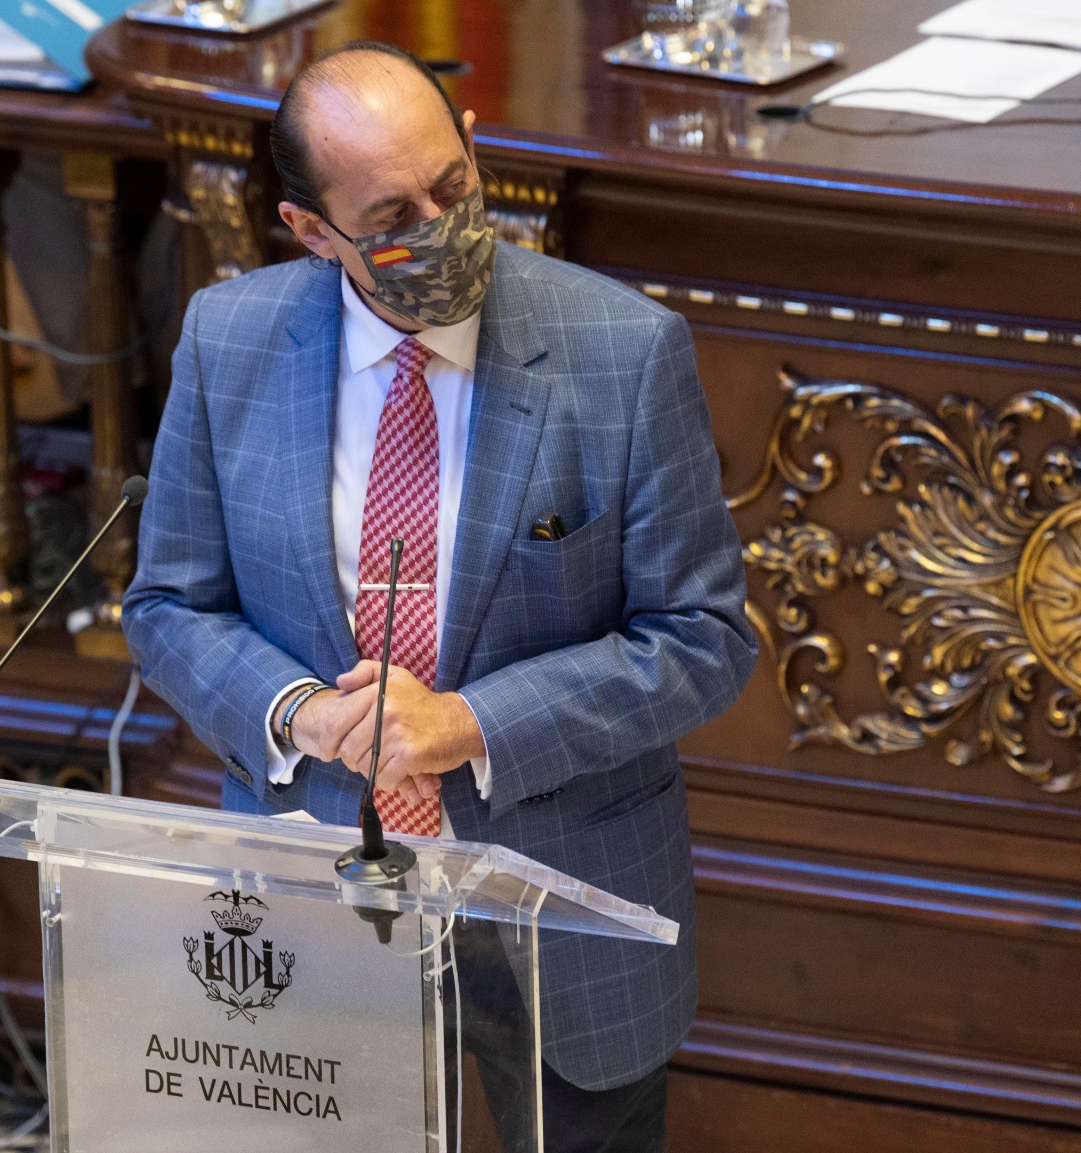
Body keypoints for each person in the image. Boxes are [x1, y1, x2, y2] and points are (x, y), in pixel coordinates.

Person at [122, 40, 755, 1151]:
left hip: (564, 889)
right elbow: (169, 606)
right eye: (392, 216)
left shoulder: (624, 350)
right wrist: (301, 713)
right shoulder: (229, 343)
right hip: (319, 885)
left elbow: (702, 639)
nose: (441, 225)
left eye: (452, 186)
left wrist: (466, 724)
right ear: (311, 229)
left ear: (471, 145)